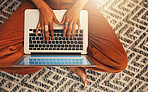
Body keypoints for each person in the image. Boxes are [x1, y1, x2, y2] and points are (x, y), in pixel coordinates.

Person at [0, 0, 128, 86]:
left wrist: (78, 7)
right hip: (38, 4)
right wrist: (41, 6)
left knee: (119, 62)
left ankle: (61, 57)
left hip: (79, 4)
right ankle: (66, 58)